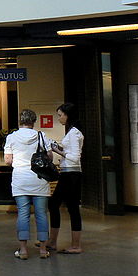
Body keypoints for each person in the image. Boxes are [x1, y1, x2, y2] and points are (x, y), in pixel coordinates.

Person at [5, 109, 51, 259]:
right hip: (39, 179)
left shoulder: (11, 137)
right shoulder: (41, 136)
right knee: (41, 214)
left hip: (20, 180)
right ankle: (43, 250)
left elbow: (8, 160)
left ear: (20, 120)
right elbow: (49, 156)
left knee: (23, 214)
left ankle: (23, 250)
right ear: (33, 121)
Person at [46, 103, 84, 254]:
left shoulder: (74, 133)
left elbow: (74, 157)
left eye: (60, 115)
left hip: (71, 174)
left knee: (70, 207)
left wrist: (57, 151)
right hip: (69, 173)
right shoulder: (72, 132)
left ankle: (75, 245)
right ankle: (53, 241)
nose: (59, 118)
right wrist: (59, 148)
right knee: (56, 204)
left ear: (68, 115)